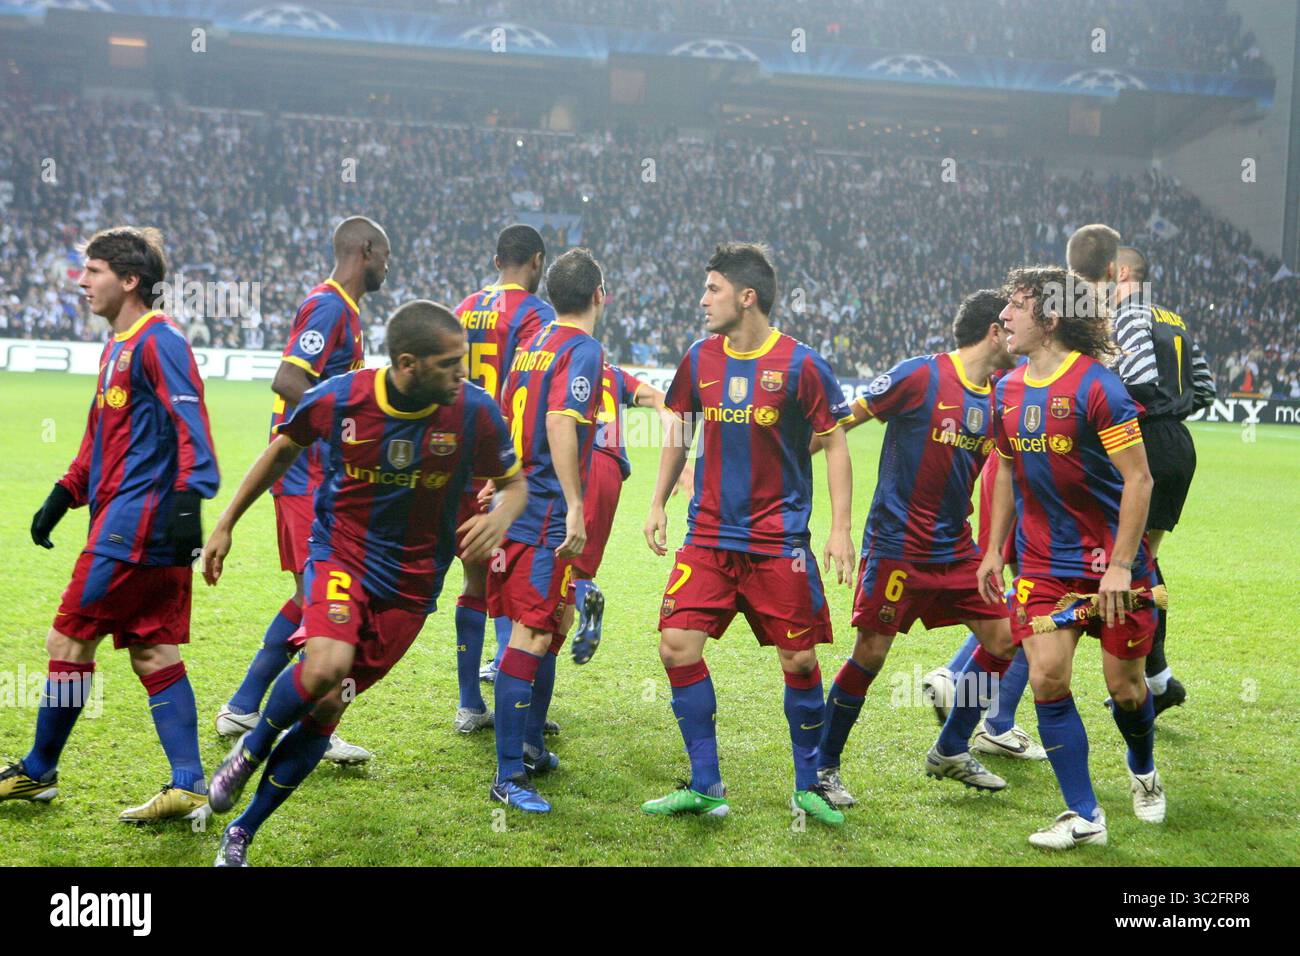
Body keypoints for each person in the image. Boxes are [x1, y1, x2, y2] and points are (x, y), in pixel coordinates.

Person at [201, 301, 525, 865]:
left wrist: (501, 513)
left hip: (414, 584)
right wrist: (225, 523)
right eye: (450, 364)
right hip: (340, 555)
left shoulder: (475, 412)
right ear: (407, 364)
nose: (463, 374)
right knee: (324, 666)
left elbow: (514, 483)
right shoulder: (340, 397)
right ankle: (249, 751)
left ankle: (242, 832)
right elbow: (282, 451)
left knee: (328, 707)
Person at [2, 226, 220, 823]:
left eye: (93, 270)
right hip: (131, 523)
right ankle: (190, 784)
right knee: (152, 647)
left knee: (68, 638)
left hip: (139, 526)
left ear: (129, 281)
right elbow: (101, 440)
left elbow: (193, 429)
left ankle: (37, 771)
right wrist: (63, 493)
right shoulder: (116, 346)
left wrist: (187, 510)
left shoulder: (159, 341)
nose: (81, 281)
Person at [641, 242, 856, 827]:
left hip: (776, 542)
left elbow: (834, 440)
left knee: (800, 658)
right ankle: (706, 785)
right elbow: (681, 427)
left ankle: (809, 784)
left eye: (712, 288)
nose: (702, 299)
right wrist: (659, 501)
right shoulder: (698, 359)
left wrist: (839, 528)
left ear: (746, 296)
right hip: (708, 535)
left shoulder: (801, 363)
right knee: (676, 645)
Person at [811, 289, 1043, 810]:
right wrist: (783, 456)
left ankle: (951, 747)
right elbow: (838, 423)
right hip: (897, 548)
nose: (1019, 341)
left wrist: (991, 551)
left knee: (1007, 638)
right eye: (1011, 328)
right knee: (870, 654)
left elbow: (1004, 472)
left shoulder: (1000, 397)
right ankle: (823, 766)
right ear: (993, 332)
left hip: (956, 551)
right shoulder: (920, 375)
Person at [979, 265, 1163, 850]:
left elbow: (1140, 480)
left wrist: (1118, 564)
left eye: (1016, 306)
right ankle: (1084, 814)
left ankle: (1143, 771)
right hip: (1041, 566)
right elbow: (1006, 467)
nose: (1004, 316)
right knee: (1047, 678)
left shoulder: (1097, 387)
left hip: (1115, 568)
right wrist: (992, 550)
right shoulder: (1006, 389)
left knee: (1127, 687)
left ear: (1050, 317)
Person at [215, 216, 390, 765]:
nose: (389, 265)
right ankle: (306, 721)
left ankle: (244, 706)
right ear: (365, 250)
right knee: (322, 606)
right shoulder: (330, 305)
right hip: (302, 477)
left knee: (307, 599)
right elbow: (289, 380)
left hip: (314, 477)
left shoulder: (345, 311)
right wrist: (350, 430)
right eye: (386, 254)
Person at [1069, 224, 1215, 715]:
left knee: (1130, 560)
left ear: (1122, 272)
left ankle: (1150, 678)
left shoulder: (1128, 313)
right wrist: (1173, 418)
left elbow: (1137, 381)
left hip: (1144, 440)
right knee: (1142, 558)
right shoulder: (1175, 319)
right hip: (1179, 444)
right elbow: (1206, 389)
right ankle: (1157, 677)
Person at [485, 248, 606, 813]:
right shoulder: (583, 349)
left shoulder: (532, 346)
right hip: (543, 514)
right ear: (598, 296)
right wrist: (577, 506)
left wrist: (494, 479)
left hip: (514, 506)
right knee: (532, 635)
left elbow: (503, 415)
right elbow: (559, 421)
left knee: (547, 624)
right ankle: (507, 775)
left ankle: (528, 747)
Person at [450, 224, 554, 728]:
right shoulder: (537, 315)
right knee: (515, 578)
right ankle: (522, 709)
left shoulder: (463, 307)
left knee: (473, 577)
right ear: (536, 261)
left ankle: (470, 702)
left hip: (456, 461)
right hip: (505, 464)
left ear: (496, 261)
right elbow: (532, 388)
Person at [568, 362, 692, 665]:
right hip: (609, 468)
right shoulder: (612, 372)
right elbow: (664, 401)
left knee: (542, 567)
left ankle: (512, 657)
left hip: (573, 459)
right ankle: (584, 596)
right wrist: (680, 459)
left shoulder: (551, 356)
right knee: (576, 570)